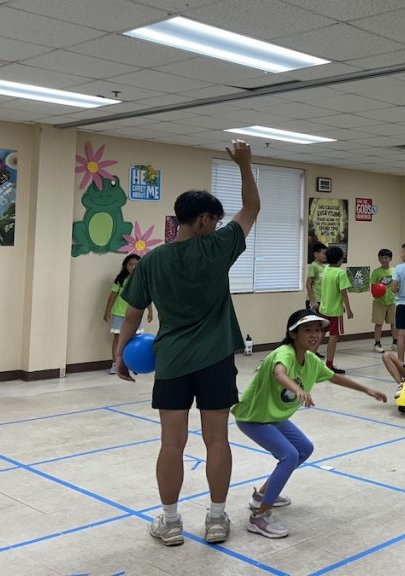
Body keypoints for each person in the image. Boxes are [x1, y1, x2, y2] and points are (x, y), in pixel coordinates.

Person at [116, 140, 259, 546]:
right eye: (214, 220)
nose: (215, 226)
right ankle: (216, 519)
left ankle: (169, 521)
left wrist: (120, 355)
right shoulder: (217, 248)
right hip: (215, 361)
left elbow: (132, 314)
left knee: (171, 444)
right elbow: (251, 208)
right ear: (202, 219)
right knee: (217, 440)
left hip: (172, 362)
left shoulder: (151, 260)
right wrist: (244, 164)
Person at [232, 310, 387, 538]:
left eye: (317, 330)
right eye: (307, 330)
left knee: (304, 449)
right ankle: (259, 517)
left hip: (273, 417)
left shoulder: (312, 360)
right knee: (289, 456)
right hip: (253, 418)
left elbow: (334, 377)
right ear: (293, 334)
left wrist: (367, 389)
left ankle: (261, 496)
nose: (315, 335)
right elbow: (279, 373)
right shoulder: (284, 353)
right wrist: (297, 389)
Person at [103, 254, 153, 374]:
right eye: (130, 264)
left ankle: (133, 364)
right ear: (125, 266)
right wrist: (107, 310)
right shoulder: (120, 280)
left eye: (136, 264)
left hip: (135, 314)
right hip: (119, 314)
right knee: (118, 338)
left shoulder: (143, 279)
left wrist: (150, 311)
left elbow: (146, 296)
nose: (133, 267)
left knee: (134, 339)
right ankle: (115, 364)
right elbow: (113, 295)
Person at [319, 246, 353, 374]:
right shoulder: (340, 273)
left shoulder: (326, 269)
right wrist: (349, 310)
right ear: (340, 259)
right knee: (333, 336)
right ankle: (329, 364)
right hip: (334, 312)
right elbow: (343, 293)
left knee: (320, 335)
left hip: (323, 309)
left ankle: (307, 360)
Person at [370, 248, 397, 353]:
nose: (384, 260)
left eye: (386, 258)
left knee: (394, 323)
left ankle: (395, 343)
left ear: (390, 259)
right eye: (381, 258)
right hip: (379, 302)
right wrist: (376, 293)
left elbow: (397, 285)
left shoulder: (395, 271)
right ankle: (377, 344)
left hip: (392, 301)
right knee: (378, 323)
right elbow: (373, 287)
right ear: (379, 259)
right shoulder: (376, 272)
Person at [305, 242, 327, 311]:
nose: (325, 256)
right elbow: (308, 284)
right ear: (315, 254)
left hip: (322, 300)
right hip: (315, 301)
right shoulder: (313, 265)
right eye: (324, 254)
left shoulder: (324, 267)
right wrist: (313, 301)